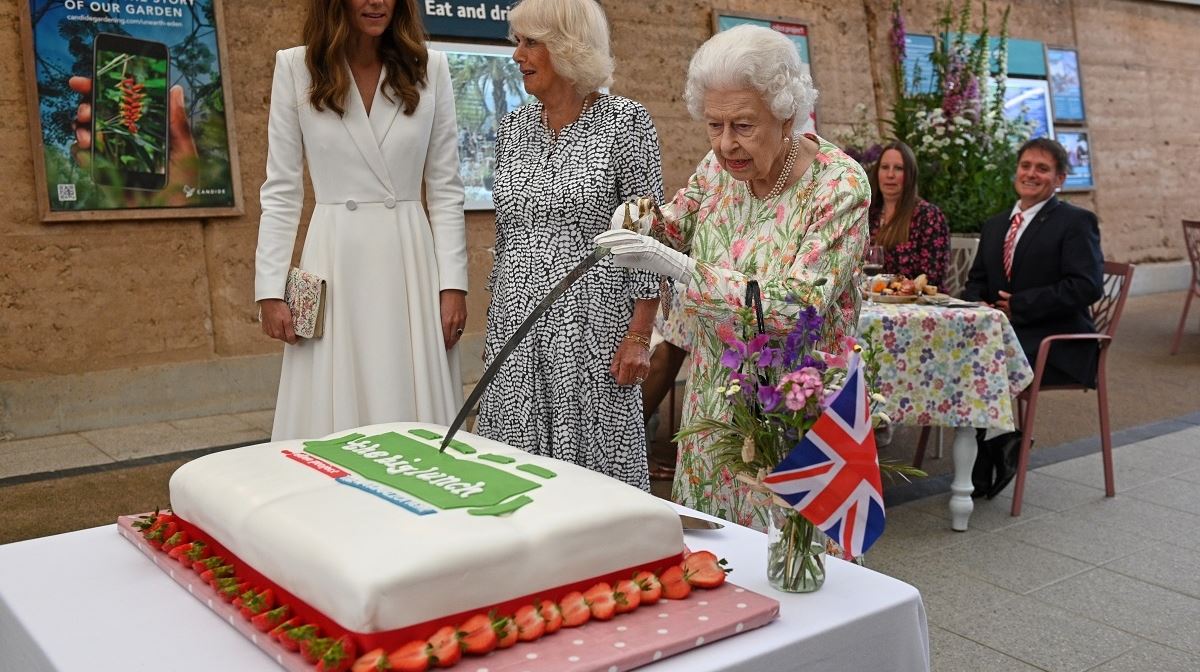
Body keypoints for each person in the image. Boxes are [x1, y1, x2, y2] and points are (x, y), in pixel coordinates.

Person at [595, 24, 871, 530]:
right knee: (715, 555)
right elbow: (675, 223)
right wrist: (635, 218)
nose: (726, 144)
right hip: (716, 400)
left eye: (743, 125)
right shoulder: (718, 167)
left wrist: (679, 268)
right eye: (713, 125)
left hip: (795, 404)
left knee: (796, 565)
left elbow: (797, 305)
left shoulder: (839, 184)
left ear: (786, 113)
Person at [255, 0, 468, 440]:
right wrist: (269, 289)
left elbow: (446, 188)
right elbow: (281, 189)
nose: (377, 2)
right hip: (335, 258)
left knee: (410, 400)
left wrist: (453, 285)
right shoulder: (297, 67)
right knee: (333, 410)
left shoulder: (431, 68)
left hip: (409, 261)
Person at [474, 0, 663, 491]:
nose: (517, 55)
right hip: (516, 323)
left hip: (591, 329)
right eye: (517, 42)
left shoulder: (627, 122)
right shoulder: (513, 128)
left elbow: (646, 232)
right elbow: (507, 230)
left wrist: (640, 334)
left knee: (592, 477)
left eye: (530, 42)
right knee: (515, 473)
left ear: (569, 47)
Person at [962, 137, 1104, 498]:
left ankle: (985, 457)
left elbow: (1086, 286)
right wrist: (982, 304)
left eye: (1042, 168)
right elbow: (976, 282)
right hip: (1004, 339)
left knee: (980, 362)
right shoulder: (997, 225)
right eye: (1026, 166)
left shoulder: (1075, 222)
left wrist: (1020, 304)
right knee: (958, 354)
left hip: (1057, 343)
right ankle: (997, 444)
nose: (1031, 174)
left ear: (1060, 179)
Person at [868, 141, 950, 287]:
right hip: (873, 301)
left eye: (899, 168)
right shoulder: (869, 214)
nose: (890, 174)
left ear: (910, 175)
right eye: (885, 167)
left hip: (917, 305)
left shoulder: (929, 216)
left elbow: (932, 277)